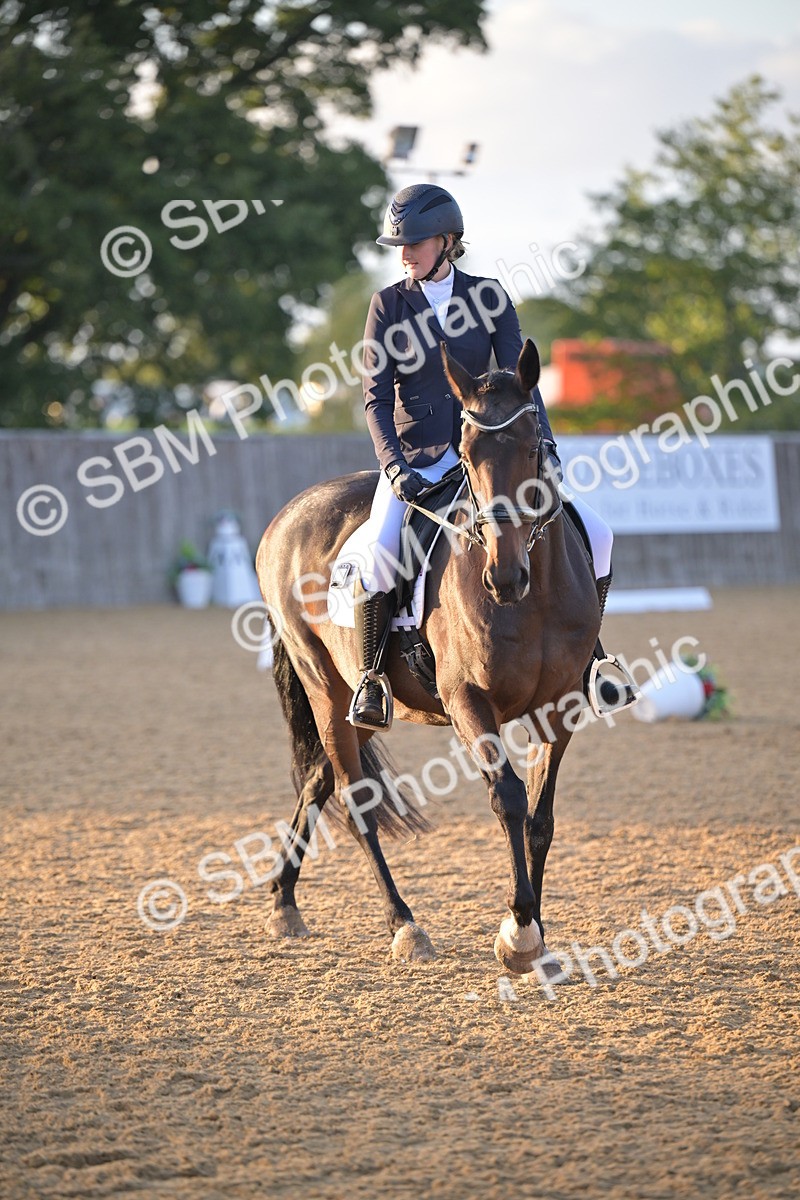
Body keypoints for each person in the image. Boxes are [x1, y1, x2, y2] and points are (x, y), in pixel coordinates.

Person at [349, 182, 632, 729]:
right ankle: (372, 676)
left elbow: (524, 386)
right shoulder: (388, 305)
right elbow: (376, 398)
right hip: (422, 459)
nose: (404, 254)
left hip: (495, 460)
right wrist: (392, 466)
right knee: (382, 549)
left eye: (415, 243)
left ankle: (590, 663)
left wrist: (543, 447)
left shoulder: (490, 297)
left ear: (448, 241)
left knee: (597, 534)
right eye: (399, 246)